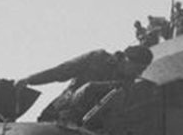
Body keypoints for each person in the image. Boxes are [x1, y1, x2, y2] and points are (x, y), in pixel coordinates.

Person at [16, 45, 154, 126]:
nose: (138, 73)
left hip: (86, 127)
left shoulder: (126, 85)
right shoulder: (97, 58)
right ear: (126, 59)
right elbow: (61, 71)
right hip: (58, 113)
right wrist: (30, 80)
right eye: (137, 69)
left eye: (141, 70)